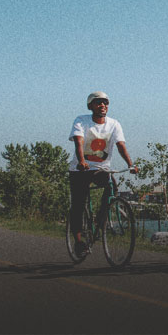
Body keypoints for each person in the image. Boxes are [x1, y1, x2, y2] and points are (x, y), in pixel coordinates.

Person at [68, 91, 137, 258]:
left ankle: (101, 220)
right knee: (78, 203)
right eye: (98, 102)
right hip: (80, 169)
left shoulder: (114, 124)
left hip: (101, 169)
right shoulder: (81, 121)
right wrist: (82, 161)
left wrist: (130, 164)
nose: (102, 105)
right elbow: (79, 142)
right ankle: (78, 242)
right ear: (90, 106)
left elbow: (120, 145)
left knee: (112, 188)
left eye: (105, 103)